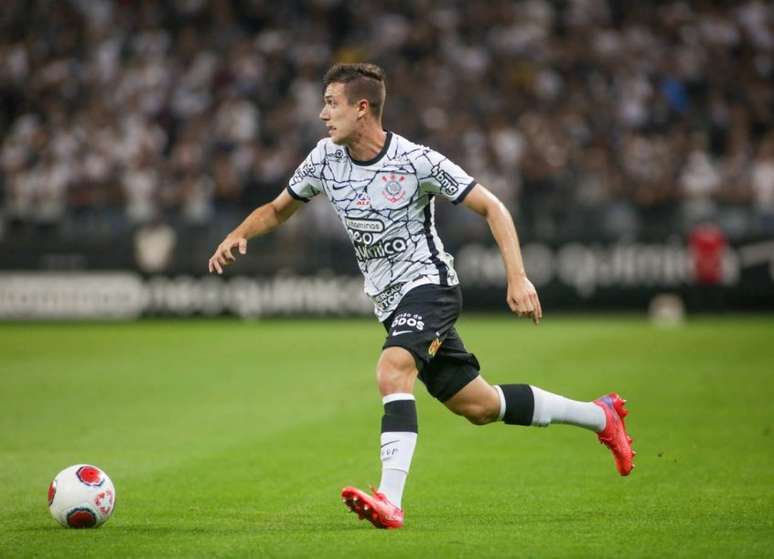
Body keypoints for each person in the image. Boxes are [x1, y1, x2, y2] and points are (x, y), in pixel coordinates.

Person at [208, 63, 635, 529]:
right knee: (479, 406)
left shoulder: (415, 162)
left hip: (430, 288)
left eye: (332, 103)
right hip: (392, 305)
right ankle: (601, 415)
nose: (322, 114)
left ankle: (390, 499)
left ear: (362, 108)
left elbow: (492, 207)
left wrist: (518, 277)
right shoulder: (323, 159)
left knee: (393, 370)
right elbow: (277, 209)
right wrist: (238, 234)